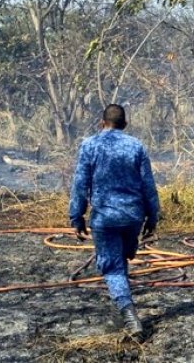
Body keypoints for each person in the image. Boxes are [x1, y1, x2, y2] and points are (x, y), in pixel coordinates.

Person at [69, 104, 160, 338]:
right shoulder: (136, 146)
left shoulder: (90, 145)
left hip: (105, 218)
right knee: (123, 259)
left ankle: (130, 316)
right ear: (125, 125)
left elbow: (80, 185)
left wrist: (76, 216)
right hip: (133, 217)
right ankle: (123, 303)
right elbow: (148, 186)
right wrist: (153, 216)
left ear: (102, 123)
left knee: (112, 268)